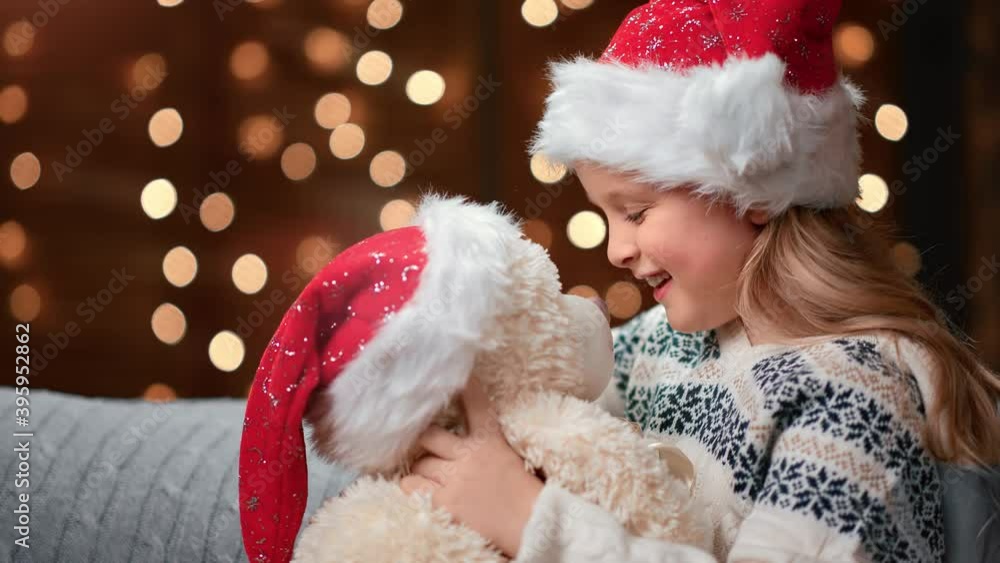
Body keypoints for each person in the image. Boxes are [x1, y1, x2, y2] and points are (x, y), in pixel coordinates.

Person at [398, 0, 1000, 561]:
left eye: (635, 212)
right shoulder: (655, 344)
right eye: (605, 216)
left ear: (754, 189)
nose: (617, 249)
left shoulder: (852, 396)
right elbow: (542, 411)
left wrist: (530, 519)